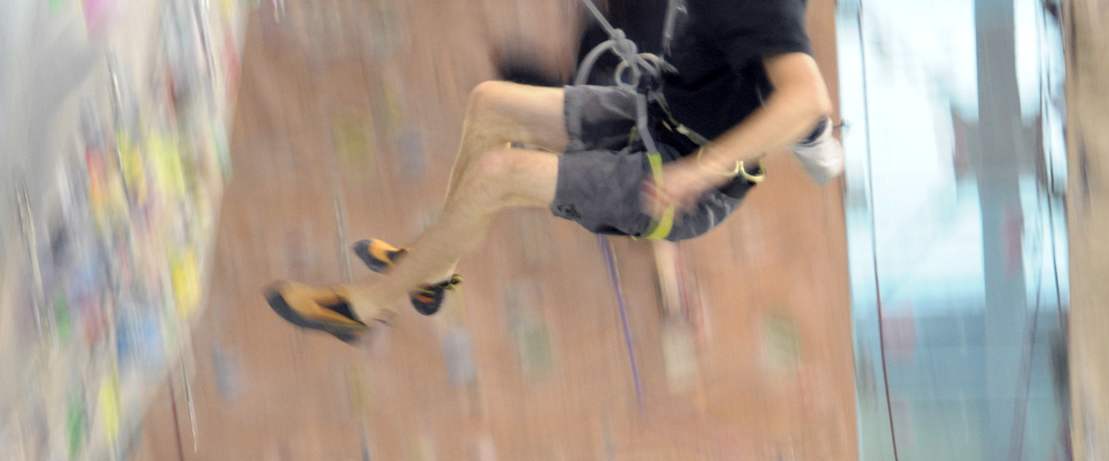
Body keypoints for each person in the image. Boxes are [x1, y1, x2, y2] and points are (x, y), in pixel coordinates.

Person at [265, 0, 844, 343]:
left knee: (499, 174)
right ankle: (432, 272)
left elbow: (808, 100)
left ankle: (363, 308)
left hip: (685, 171)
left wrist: (701, 171)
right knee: (489, 104)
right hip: (653, 112)